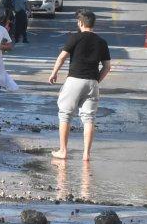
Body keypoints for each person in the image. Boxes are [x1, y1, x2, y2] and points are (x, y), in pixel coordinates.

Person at [48, 10, 112, 161]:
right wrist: (96, 80)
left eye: (78, 22)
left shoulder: (75, 38)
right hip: (92, 83)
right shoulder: (101, 42)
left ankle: (63, 151)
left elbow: (62, 57)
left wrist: (54, 73)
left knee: (65, 115)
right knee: (89, 118)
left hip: (74, 80)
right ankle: (86, 155)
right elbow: (107, 66)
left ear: (81, 23)